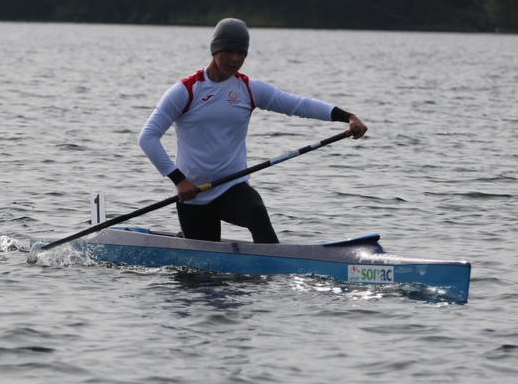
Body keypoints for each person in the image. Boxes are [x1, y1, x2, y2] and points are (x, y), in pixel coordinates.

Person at [138, 18, 368, 244]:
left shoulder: (248, 89)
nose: (235, 59)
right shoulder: (186, 91)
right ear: (215, 49)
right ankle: (186, 242)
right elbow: (147, 137)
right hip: (194, 194)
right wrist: (179, 180)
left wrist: (348, 117)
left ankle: (275, 265)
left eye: (241, 53)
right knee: (201, 266)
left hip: (232, 187)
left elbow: (299, 105)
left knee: (256, 212)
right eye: (229, 51)